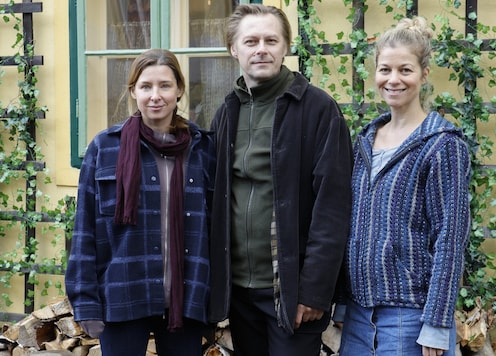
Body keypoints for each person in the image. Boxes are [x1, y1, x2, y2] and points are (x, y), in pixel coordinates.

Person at [207, 4, 353, 356]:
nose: (261, 49)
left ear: (285, 47)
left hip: (291, 293)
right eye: (251, 41)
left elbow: (332, 207)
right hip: (240, 292)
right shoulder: (227, 112)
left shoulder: (318, 109)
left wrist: (314, 292)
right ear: (234, 49)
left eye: (271, 40)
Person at [65, 48, 215, 356]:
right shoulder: (105, 147)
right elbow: (84, 232)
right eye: (146, 86)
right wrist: (85, 301)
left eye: (165, 85)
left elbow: (216, 229)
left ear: (179, 90)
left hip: (186, 296)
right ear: (133, 91)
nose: (155, 95)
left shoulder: (203, 149)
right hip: (123, 291)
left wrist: (216, 297)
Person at [336, 16, 471, 356]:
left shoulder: (442, 144)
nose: (393, 80)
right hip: (358, 318)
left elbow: (450, 238)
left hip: (410, 318)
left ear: (425, 75)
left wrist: (437, 324)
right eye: (385, 69)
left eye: (405, 70)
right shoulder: (364, 141)